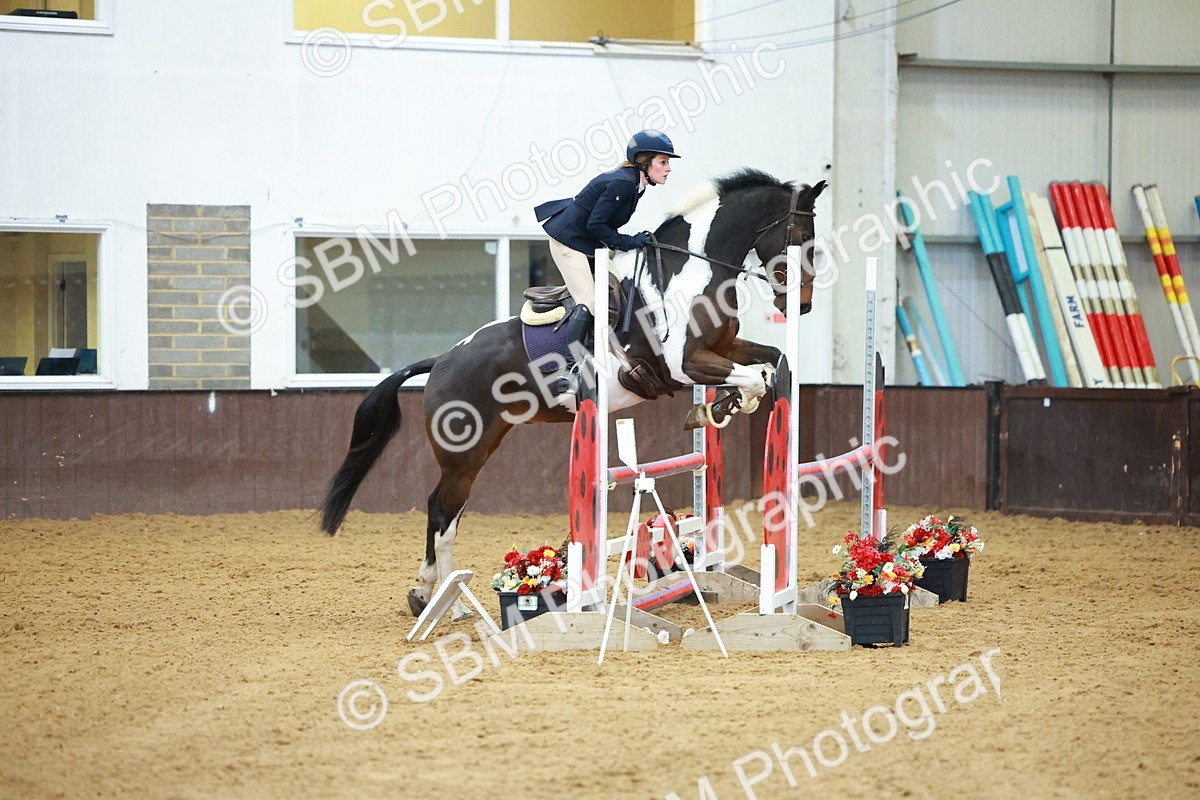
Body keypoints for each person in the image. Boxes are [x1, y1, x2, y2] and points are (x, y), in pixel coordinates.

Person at [533, 129, 680, 397]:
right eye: (663, 162)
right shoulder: (623, 183)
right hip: (568, 242)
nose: (669, 168)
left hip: (587, 242)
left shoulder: (636, 184)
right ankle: (568, 369)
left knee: (619, 288)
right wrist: (629, 241)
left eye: (668, 163)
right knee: (589, 302)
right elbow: (596, 224)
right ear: (643, 161)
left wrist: (631, 242)